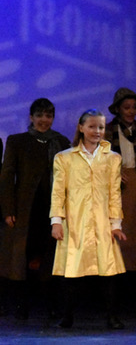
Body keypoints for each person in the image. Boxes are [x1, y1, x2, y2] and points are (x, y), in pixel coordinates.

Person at [50, 109, 127, 329]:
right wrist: (56, 221)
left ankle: (112, 316)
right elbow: (58, 192)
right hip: (75, 220)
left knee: (108, 270)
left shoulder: (112, 158)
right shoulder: (65, 158)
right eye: (92, 126)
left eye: (101, 127)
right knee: (72, 269)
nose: (97, 131)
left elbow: (114, 193)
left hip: (102, 221)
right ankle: (67, 316)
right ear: (81, 128)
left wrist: (116, 224)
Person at [0, 99, 70, 320]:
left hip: (52, 209)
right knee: (22, 258)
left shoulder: (61, 141)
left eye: (48, 116)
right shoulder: (17, 141)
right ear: (31, 117)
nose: (44, 120)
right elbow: (7, 176)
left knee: (50, 257)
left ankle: (51, 306)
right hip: (26, 209)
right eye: (39, 115)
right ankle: (22, 306)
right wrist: (8, 209)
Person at [104, 88, 136, 291]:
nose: (131, 111)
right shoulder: (108, 130)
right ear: (118, 109)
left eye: (134, 107)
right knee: (120, 228)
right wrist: (114, 172)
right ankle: (117, 275)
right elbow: (100, 160)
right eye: (127, 107)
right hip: (117, 185)